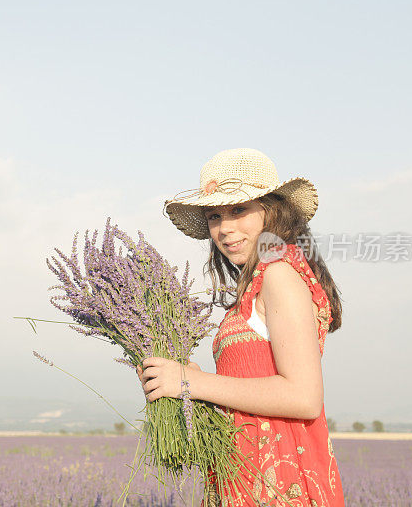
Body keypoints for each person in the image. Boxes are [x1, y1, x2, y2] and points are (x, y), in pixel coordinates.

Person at [137, 148, 345, 507]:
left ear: (272, 210)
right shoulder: (259, 282)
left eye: (238, 210)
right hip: (247, 475)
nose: (225, 228)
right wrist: (191, 382)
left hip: (281, 482)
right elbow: (252, 383)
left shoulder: (278, 274)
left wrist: (191, 383)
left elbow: (304, 397)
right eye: (214, 216)